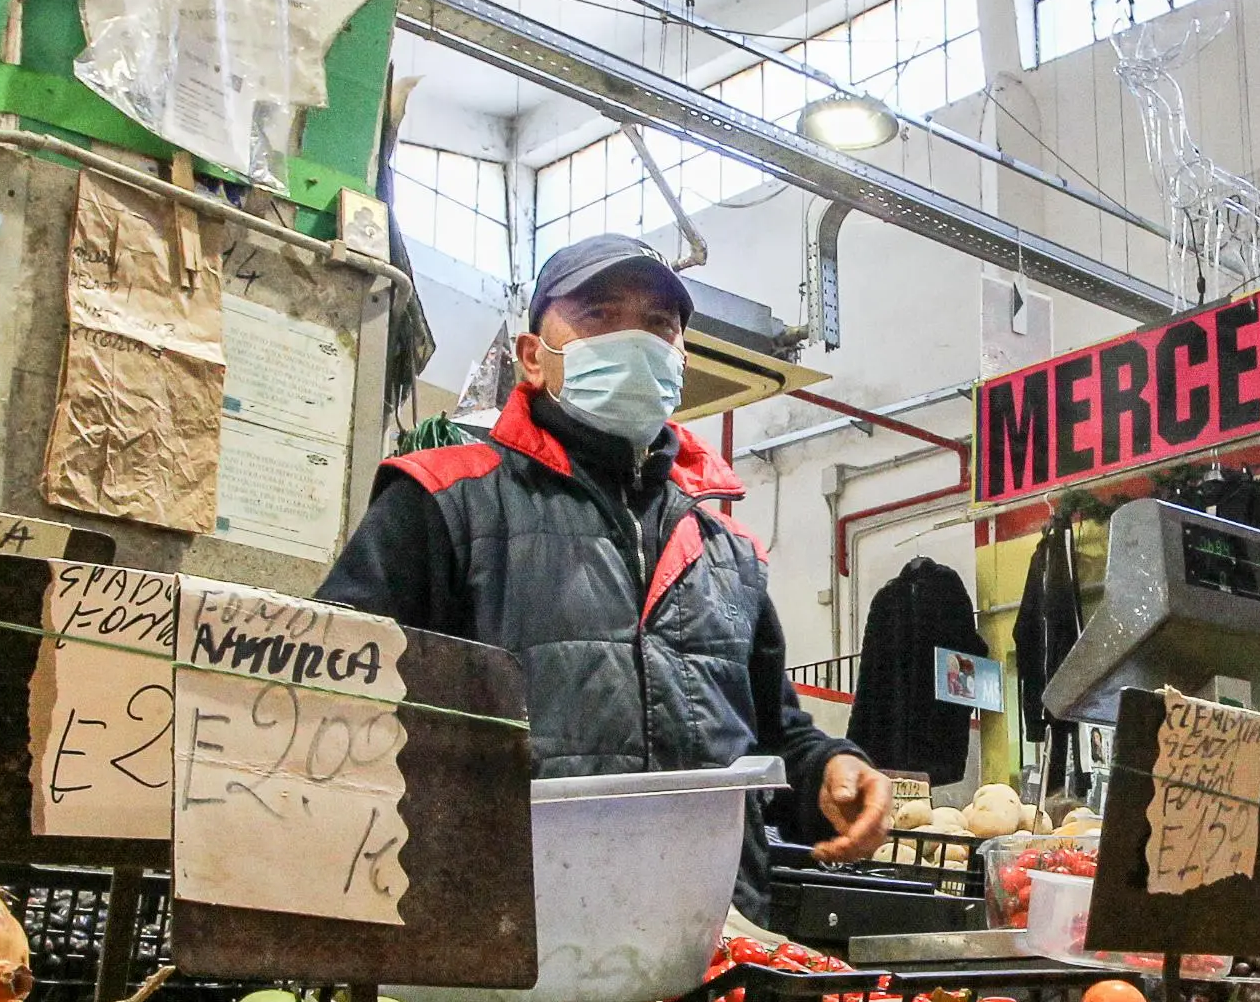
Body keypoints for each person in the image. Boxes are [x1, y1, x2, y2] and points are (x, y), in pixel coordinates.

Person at [318, 232, 894, 920]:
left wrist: (832, 768)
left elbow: (771, 732)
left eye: (657, 325)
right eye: (597, 316)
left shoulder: (724, 549)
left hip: (704, 933)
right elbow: (331, 699)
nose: (633, 340)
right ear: (533, 357)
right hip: (499, 933)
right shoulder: (442, 499)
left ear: (680, 359)